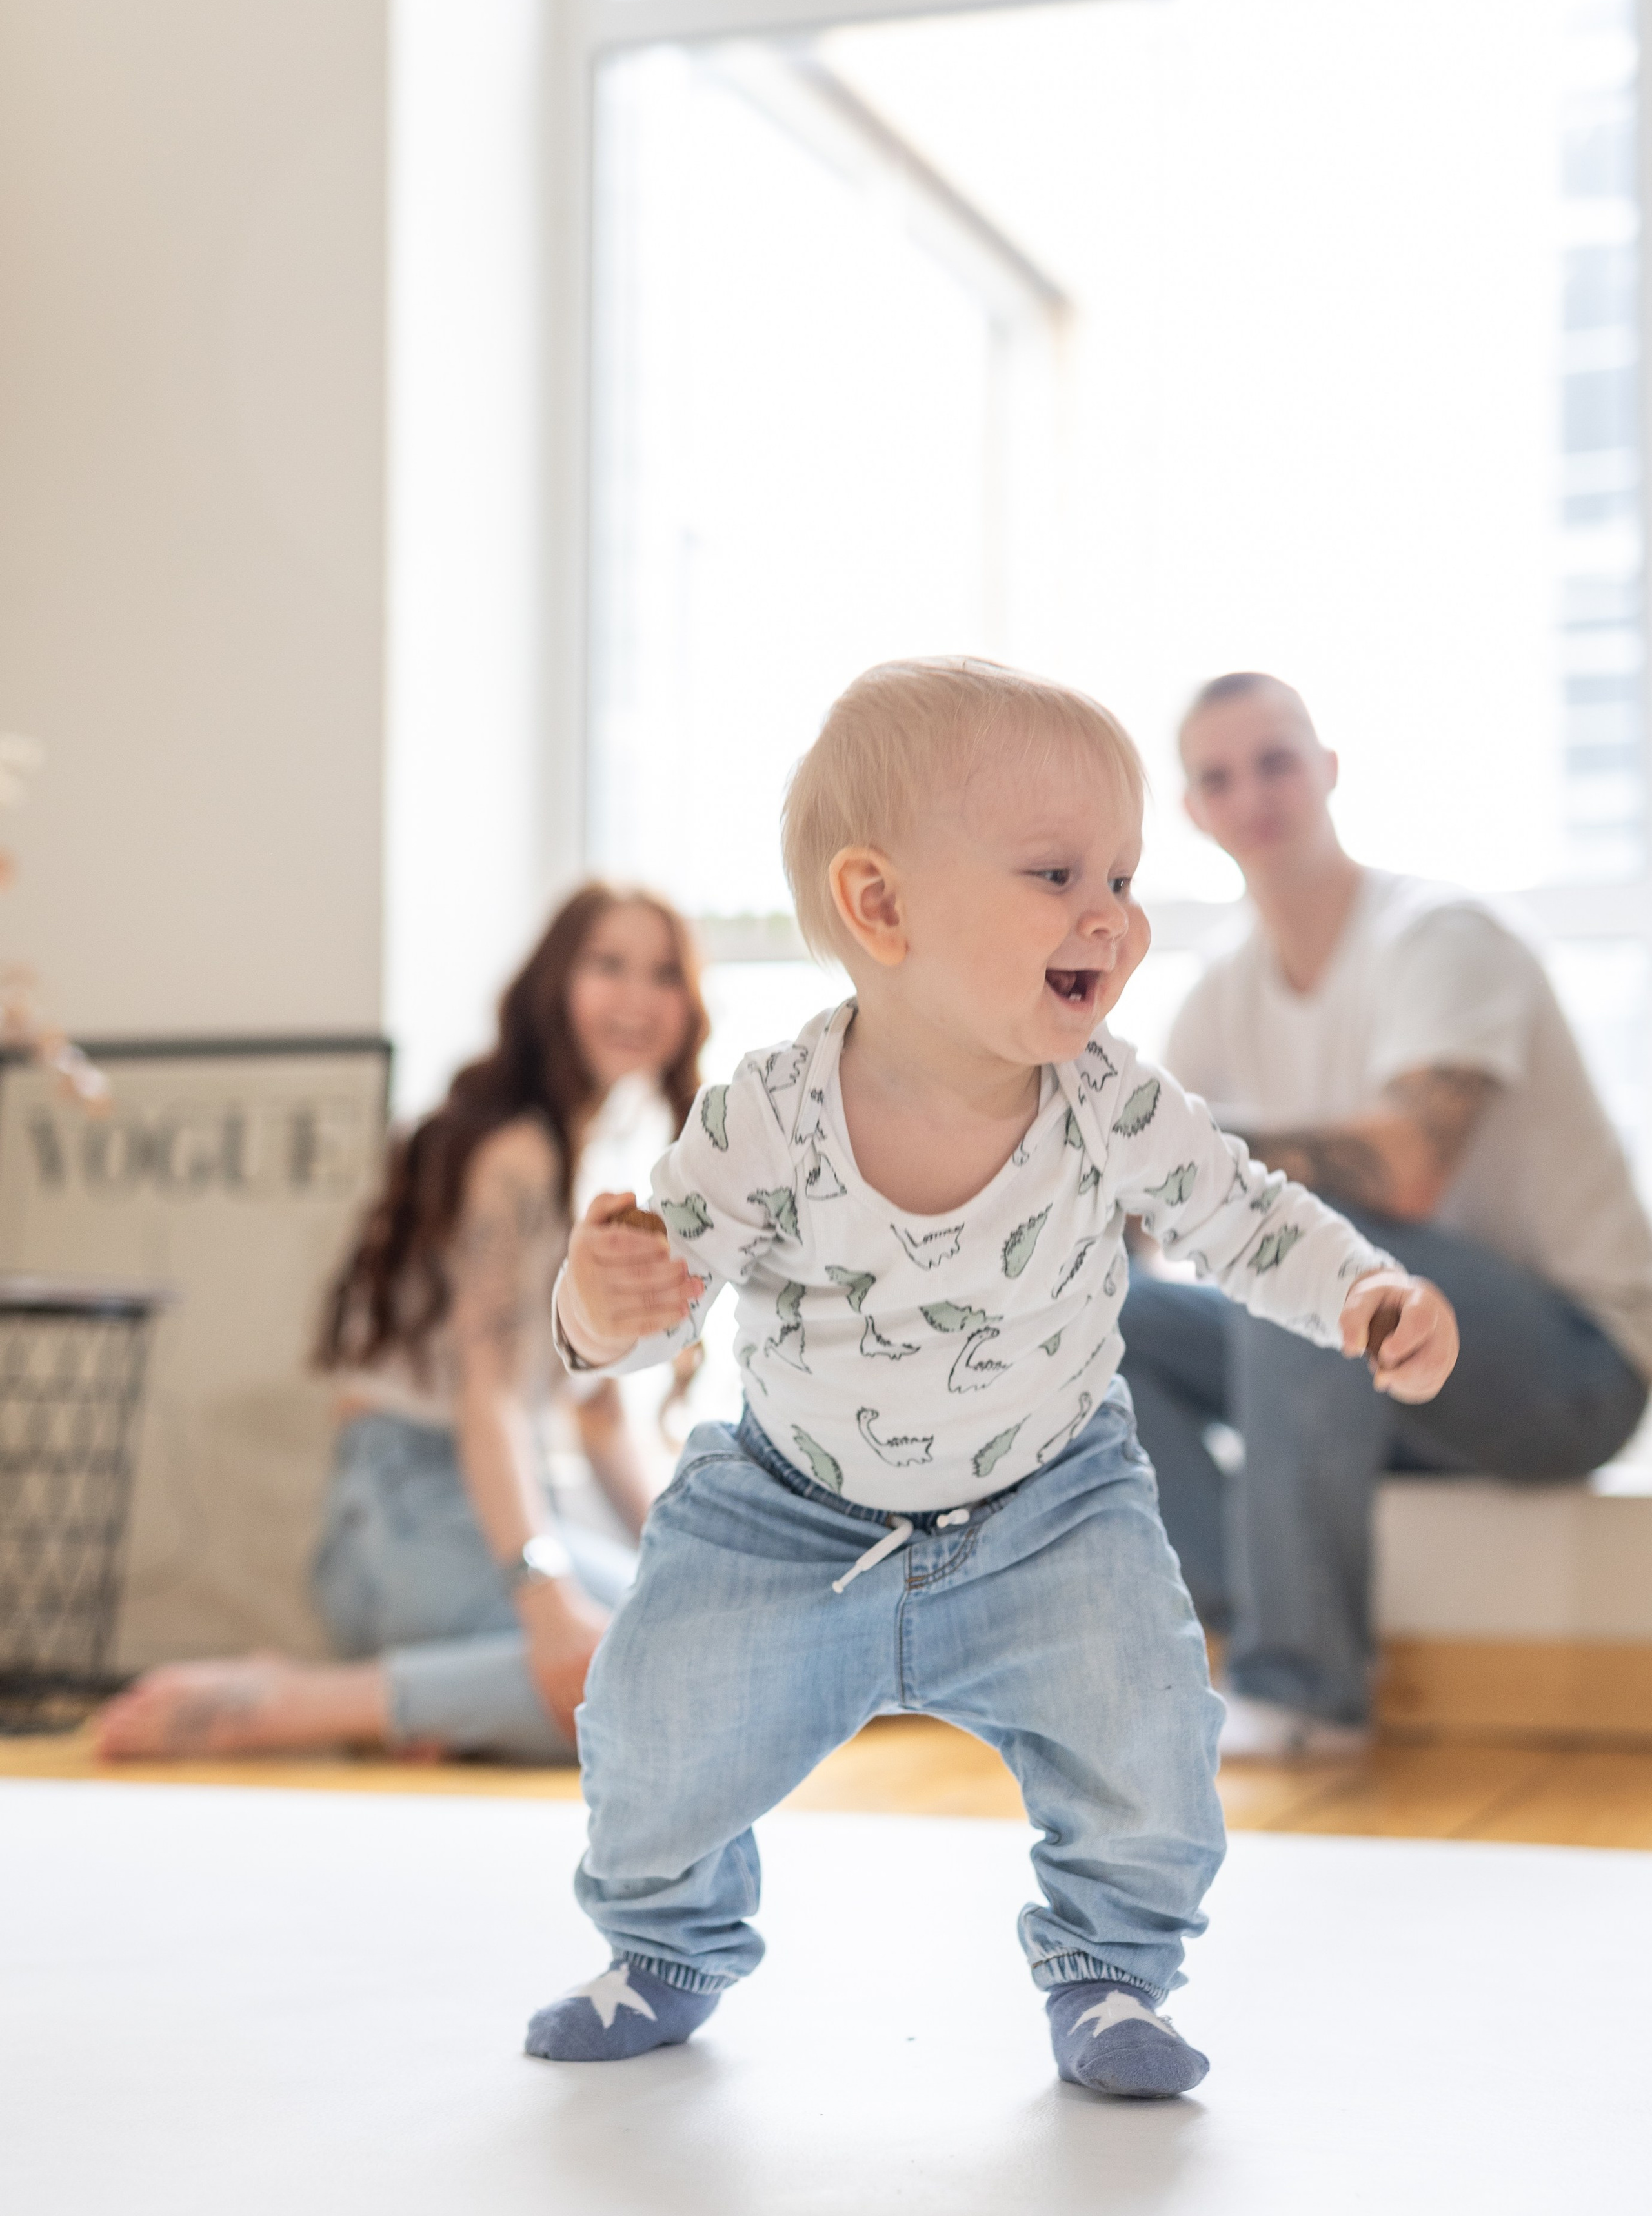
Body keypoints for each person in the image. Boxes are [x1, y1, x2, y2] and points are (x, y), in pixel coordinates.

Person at [518, 658, 1458, 2098]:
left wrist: (1360, 1290)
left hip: (1048, 1507)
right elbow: (656, 1307)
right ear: (879, 906)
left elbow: (1238, 1210)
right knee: (656, 1721)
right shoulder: (764, 1114)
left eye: (1124, 876)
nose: (1110, 913)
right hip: (788, 1509)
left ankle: (1111, 1974)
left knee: (1144, 1733)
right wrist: (597, 1301)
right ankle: (662, 1943)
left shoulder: (1109, 1100)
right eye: (1054, 873)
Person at [1119, 672, 1652, 1760]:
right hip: (1389, 1377)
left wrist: (1165, 1160)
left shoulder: (1440, 935)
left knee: (1308, 1258)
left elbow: (1402, 1171)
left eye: (1275, 759)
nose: (1253, 792)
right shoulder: (1221, 987)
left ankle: (1308, 1685)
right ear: (1193, 812)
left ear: (1326, 769)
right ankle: (1223, 1632)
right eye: (1220, 775)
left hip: (1569, 1367)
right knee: (1107, 1318)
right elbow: (1140, 1201)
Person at [94, 884, 709, 1764]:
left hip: (467, 1515)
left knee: (707, 1647)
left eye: (663, 974)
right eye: (607, 965)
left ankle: (434, 1711)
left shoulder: (590, 1160)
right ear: (553, 982)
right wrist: (544, 1600)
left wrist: (702, 1560)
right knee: (660, 1678)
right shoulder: (518, 1154)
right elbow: (489, 1398)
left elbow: (598, 1413)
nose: (636, 998)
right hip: (404, 1514)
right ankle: (303, 1704)